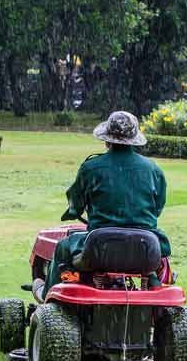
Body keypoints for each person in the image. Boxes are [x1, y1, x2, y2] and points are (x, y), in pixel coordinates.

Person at [36, 110, 170, 300]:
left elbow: (76, 202)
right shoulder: (153, 169)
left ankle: (49, 299)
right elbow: (158, 207)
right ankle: (156, 285)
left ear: (107, 139)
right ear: (134, 139)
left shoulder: (91, 168)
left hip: (99, 248)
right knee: (164, 257)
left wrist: (74, 210)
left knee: (63, 247)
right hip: (145, 249)